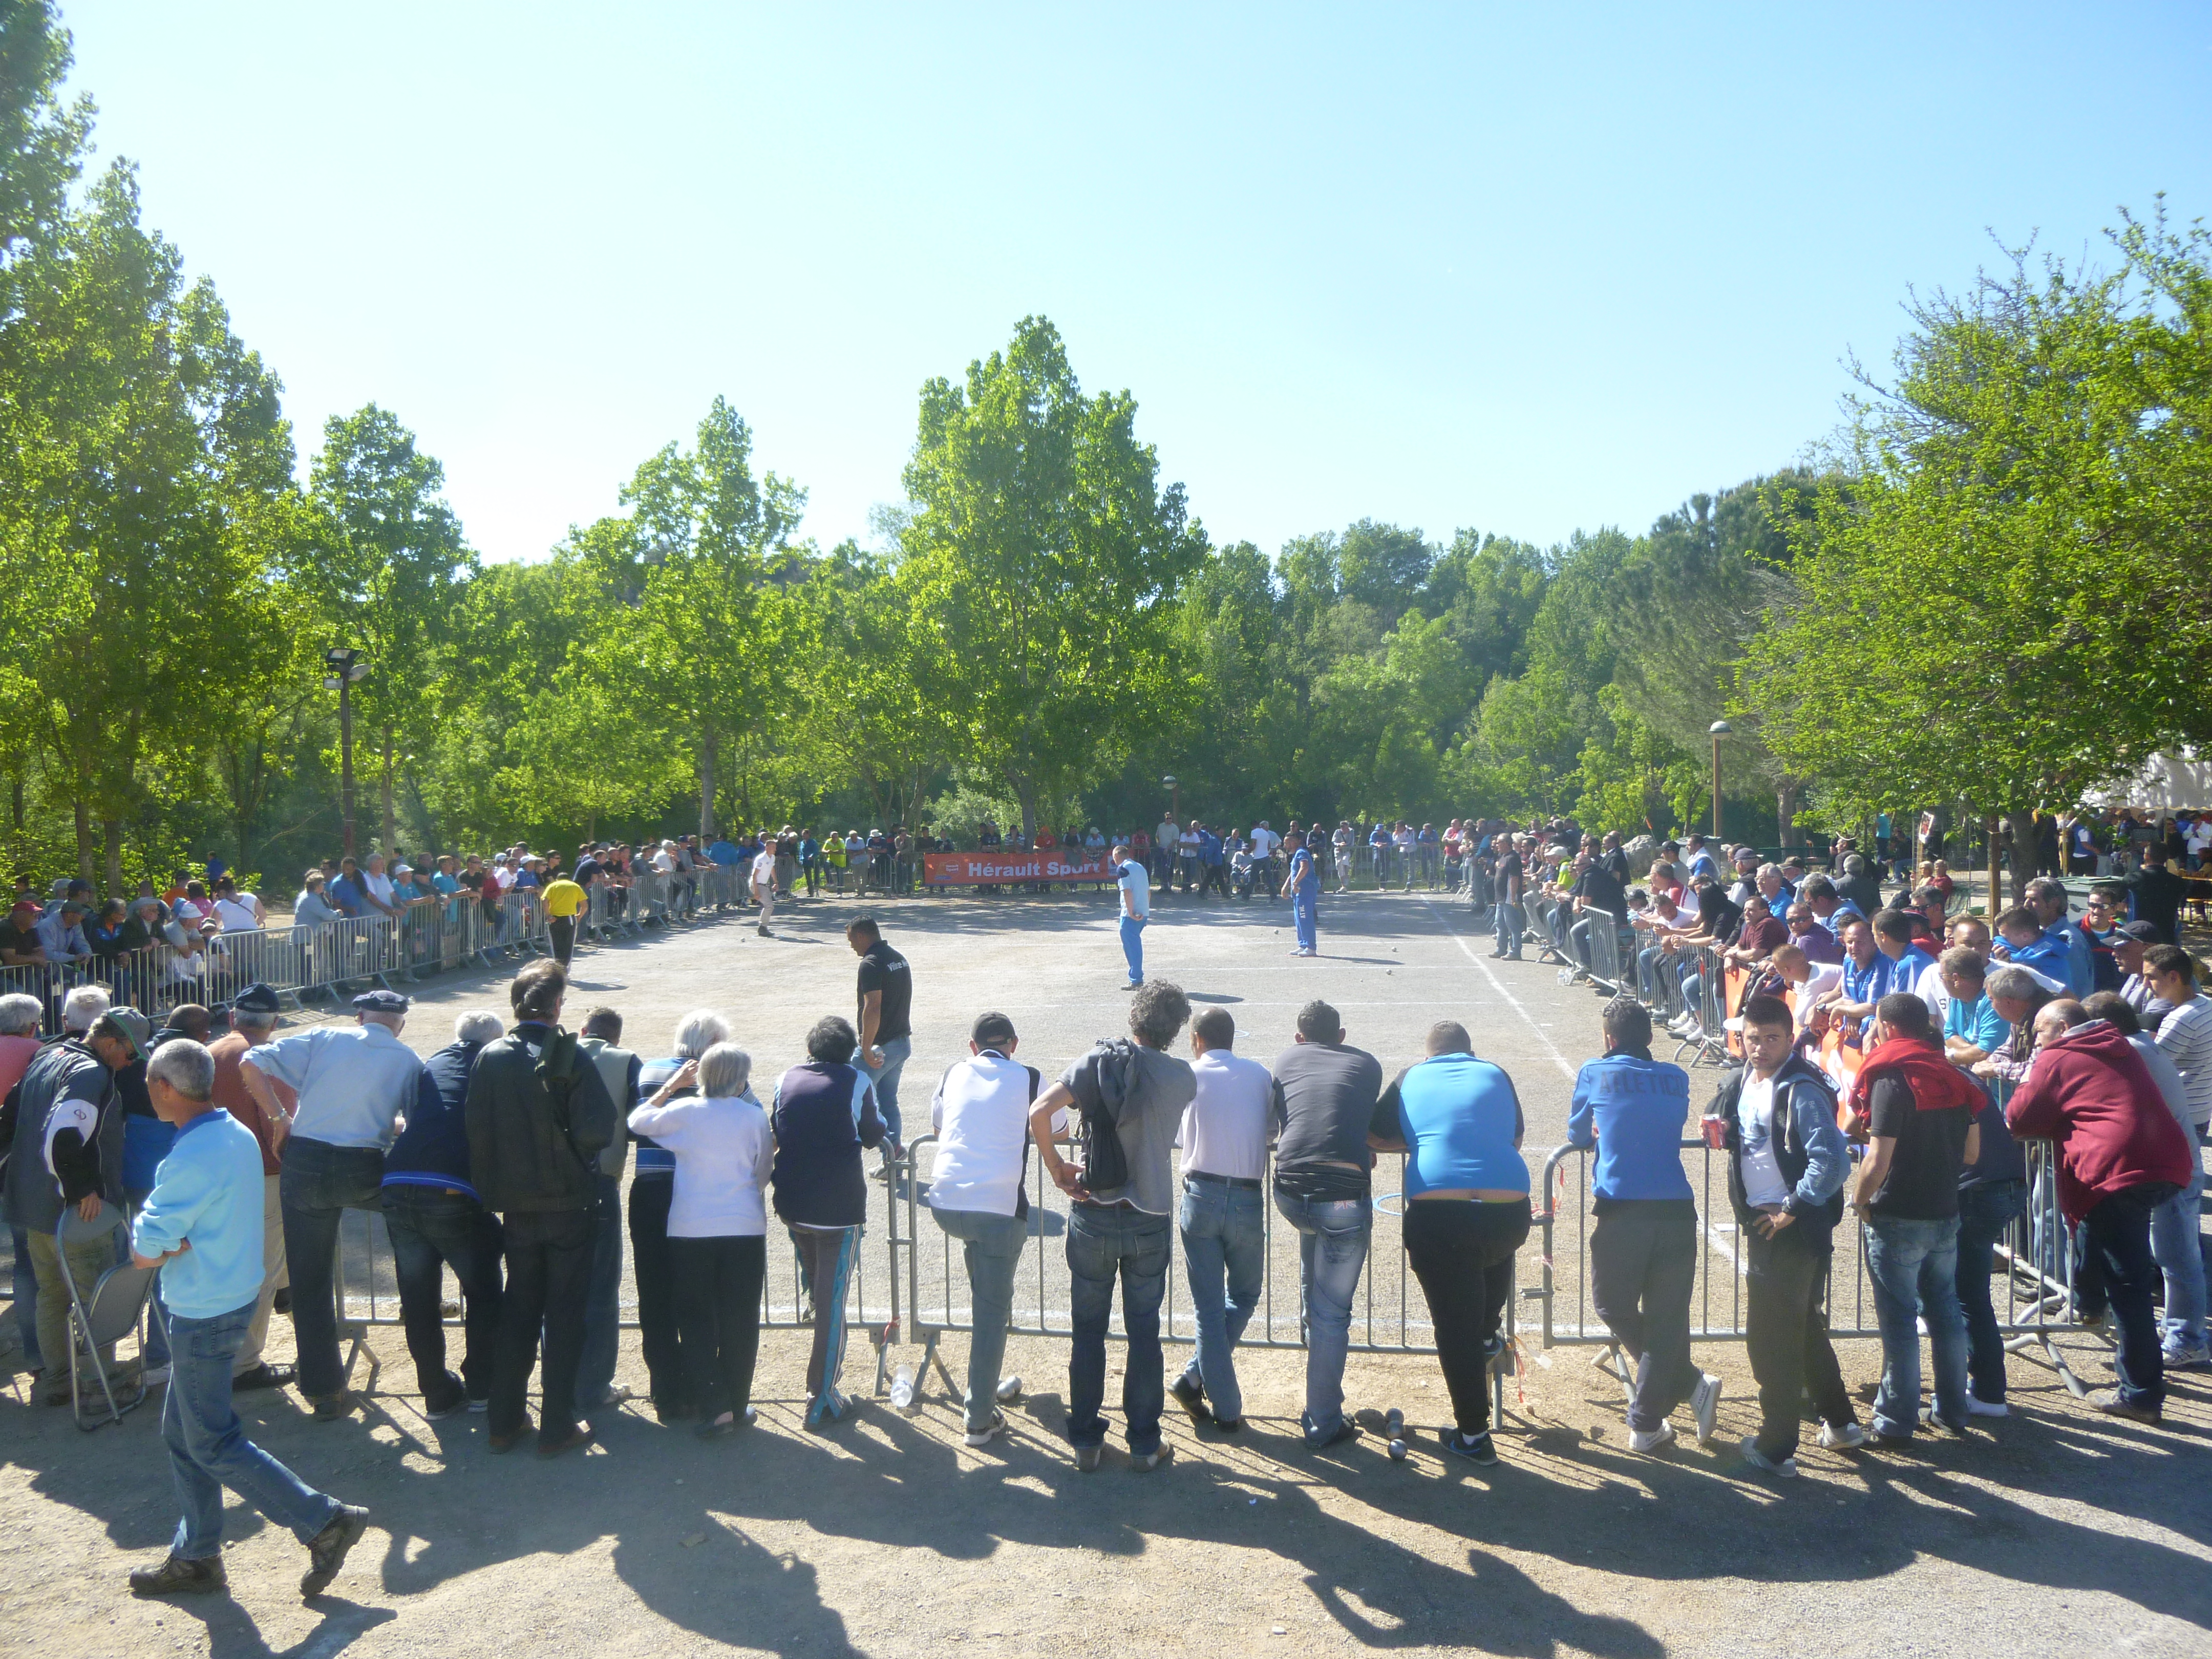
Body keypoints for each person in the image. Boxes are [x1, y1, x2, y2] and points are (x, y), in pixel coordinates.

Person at [122, 1039, 370, 1602]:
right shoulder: (233, 1130)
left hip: (203, 1311)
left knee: (209, 1441)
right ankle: (197, 1555)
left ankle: (323, 1520)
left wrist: (163, 1241)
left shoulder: (189, 1154)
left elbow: (143, 1247)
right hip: (227, 1299)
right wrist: (172, 1240)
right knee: (183, 1434)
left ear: (165, 1087)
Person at [1030, 981, 1195, 1470]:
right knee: (1144, 1331)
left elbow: (1039, 1112)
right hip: (1149, 1214)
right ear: (1177, 1029)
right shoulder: (1184, 1077)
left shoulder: (1096, 1061)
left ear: (1133, 1017)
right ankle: (1144, 1442)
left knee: (1088, 1329)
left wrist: (1057, 1168)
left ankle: (1085, 1439)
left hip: (1094, 1210)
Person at [2006, 997, 2194, 1423]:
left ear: (2059, 1028)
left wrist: (2039, 1071)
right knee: (2095, 1228)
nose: (2034, 1038)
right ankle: (2089, 1302)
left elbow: (2020, 1117)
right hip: (2162, 1161)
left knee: (2128, 1286)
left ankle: (2141, 1394)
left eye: (2038, 1031)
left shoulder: (2058, 1056)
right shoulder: (2120, 1046)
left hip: (2116, 1170)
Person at [240, 988, 424, 1420]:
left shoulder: (325, 1037)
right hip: (363, 1165)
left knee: (309, 1280)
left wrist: (279, 1118)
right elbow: (414, 1125)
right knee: (417, 1222)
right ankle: (420, 1304)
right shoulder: (408, 1059)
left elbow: (250, 1062)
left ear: (359, 1017)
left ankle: (324, 1390)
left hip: (304, 1161)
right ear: (401, 1024)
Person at [1704, 994, 1862, 1476]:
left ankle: (1777, 1447)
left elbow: (1833, 1161)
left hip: (1790, 1230)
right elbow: (1731, 1128)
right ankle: (1841, 1423)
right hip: (1766, 1225)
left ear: (1789, 1039)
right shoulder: (1746, 1078)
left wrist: (1792, 1209)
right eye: (1753, 1038)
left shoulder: (1802, 1089)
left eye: (1772, 1038)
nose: (1761, 1047)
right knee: (1802, 1325)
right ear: (1742, 1036)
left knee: (1770, 1338)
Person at [465, 961, 618, 1455]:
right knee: (566, 1316)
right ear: (556, 1008)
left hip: (516, 1209)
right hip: (568, 1204)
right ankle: (557, 1426)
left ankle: (504, 1421)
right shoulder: (568, 1054)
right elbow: (599, 1129)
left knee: (521, 1312)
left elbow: (477, 1130)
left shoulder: (490, 1056)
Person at [1369, 1019, 1533, 1464]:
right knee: (1490, 1265)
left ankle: (1475, 1436)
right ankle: (1486, 1337)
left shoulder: (1411, 1076)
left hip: (1439, 1213)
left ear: (1429, 1055)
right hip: (1508, 1207)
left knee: (1453, 1328)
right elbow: (1515, 1136)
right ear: (1471, 1051)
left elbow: (1374, 1133)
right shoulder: (1496, 1072)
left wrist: (1420, 1140)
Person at [1564, 997, 1719, 1453]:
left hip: (1623, 1206)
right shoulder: (1677, 1075)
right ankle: (1668, 1403)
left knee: (1611, 1304)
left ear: (1608, 1038)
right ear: (1651, 1037)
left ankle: (1656, 1413)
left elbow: (1576, 1134)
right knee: (1666, 1319)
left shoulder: (1595, 1071)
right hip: (1675, 1206)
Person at [1847, 993, 1981, 1443]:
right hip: (1944, 1210)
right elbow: (1971, 1152)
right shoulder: (1954, 1074)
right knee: (1945, 1313)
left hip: (1899, 1211)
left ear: (1885, 1026)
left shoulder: (1891, 1078)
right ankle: (1952, 1409)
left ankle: (1896, 1418)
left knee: (1900, 1322)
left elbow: (1877, 1159)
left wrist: (1859, 1201)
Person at [629, 1040, 772, 1439]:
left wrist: (671, 1087)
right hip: (743, 1224)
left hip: (691, 1227)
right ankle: (738, 1402)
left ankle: (714, 1404)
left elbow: (639, 1121)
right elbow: (764, 1170)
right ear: (741, 1077)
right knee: (740, 1316)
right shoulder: (752, 1116)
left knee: (693, 1317)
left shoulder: (685, 1111)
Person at [1, 985, 129, 1403]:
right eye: (129, 1053)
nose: (130, 1063)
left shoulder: (47, 1054)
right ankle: (95, 1384)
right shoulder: (91, 1072)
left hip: (31, 1201)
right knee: (95, 1295)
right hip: (72, 1210)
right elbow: (66, 1134)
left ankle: (56, 1381)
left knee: (52, 1294)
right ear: (109, 1041)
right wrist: (81, 1190)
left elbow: (10, 1118)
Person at [1268, 998, 1384, 1449]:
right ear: (1342, 1036)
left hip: (1290, 1191)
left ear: (1299, 1037)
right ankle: (1322, 1420)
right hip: (1343, 1196)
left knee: (1311, 1234)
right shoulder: (1365, 1063)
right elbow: (1354, 1117)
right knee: (1334, 1312)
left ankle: (1310, 1333)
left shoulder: (1285, 1059)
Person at [380, 1011, 507, 1418]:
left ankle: (435, 1392)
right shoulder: (494, 1064)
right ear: (492, 1041)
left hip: (398, 1181)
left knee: (418, 1296)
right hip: (451, 1188)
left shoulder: (432, 1062)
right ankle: (483, 1385)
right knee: (483, 1287)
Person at [925, 1010, 1041, 1445]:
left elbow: (939, 1126)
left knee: (985, 1295)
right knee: (990, 1316)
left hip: (947, 1202)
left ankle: (984, 1387)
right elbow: (1059, 1125)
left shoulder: (954, 1072)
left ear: (973, 1047)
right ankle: (978, 1417)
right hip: (997, 1208)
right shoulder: (1027, 1077)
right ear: (1014, 1043)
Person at [770, 1015, 887, 1428]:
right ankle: (821, 1395)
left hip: (793, 1202)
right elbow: (873, 1133)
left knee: (820, 1285)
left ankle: (813, 1300)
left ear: (810, 1049)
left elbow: (778, 1125)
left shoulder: (786, 1077)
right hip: (838, 1209)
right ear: (850, 1051)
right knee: (834, 1302)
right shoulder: (857, 1082)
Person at [1167, 1007, 1272, 1433]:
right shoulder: (1259, 1074)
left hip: (1201, 1193)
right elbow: (1269, 1130)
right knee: (1243, 1296)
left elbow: (1177, 1136)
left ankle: (1202, 1383)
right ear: (1233, 1038)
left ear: (1196, 1039)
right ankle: (1207, 1390)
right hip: (1246, 1197)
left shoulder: (1188, 1077)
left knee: (1208, 1308)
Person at [631, 1009, 730, 1420]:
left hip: (648, 1189)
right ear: (711, 1047)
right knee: (695, 1293)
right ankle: (697, 1385)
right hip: (692, 1190)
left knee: (653, 1293)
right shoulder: (717, 1080)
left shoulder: (649, 1071)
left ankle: (664, 1393)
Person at [204, 985, 295, 1390]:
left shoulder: (207, 1054)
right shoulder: (271, 1059)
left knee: (227, 1269)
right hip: (264, 1177)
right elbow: (285, 1123)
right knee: (260, 1271)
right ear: (274, 1022)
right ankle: (243, 1363)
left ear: (232, 1017)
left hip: (214, 1177)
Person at [577, 1006, 643, 1412]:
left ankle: (558, 1377)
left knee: (558, 1286)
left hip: (550, 1182)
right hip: (601, 1180)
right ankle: (596, 1385)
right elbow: (638, 1122)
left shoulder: (556, 1052)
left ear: (583, 1030)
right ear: (615, 1037)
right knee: (601, 1288)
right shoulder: (625, 1060)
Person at [847, 914, 913, 1159]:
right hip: (901, 1042)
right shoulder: (898, 958)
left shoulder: (871, 963)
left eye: (852, 939)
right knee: (887, 1100)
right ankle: (893, 1155)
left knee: (847, 1094)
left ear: (862, 935)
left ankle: (841, 1151)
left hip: (879, 1047)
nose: (851, 945)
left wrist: (865, 1047)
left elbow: (872, 1007)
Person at [1110, 842, 1150, 989]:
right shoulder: (1140, 868)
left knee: (1132, 946)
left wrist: (1130, 912)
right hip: (1143, 911)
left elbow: (1127, 891)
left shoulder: (1123, 869)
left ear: (1116, 856)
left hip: (1130, 914)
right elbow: (1148, 891)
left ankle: (1136, 979)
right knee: (1133, 944)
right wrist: (1146, 911)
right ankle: (1136, 977)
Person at [540, 867, 586, 966]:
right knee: (568, 945)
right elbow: (585, 905)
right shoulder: (575, 886)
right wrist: (579, 916)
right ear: (569, 879)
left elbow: (545, 901)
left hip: (554, 918)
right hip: (569, 918)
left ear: (557, 879)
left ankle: (558, 967)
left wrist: (548, 915)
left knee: (556, 945)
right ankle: (565, 969)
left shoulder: (552, 886)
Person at [1285, 829, 1320, 959]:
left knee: (1306, 918)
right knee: (1299, 919)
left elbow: (1304, 868)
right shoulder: (1295, 855)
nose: (1286, 845)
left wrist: (1295, 883)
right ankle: (1303, 944)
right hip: (1298, 894)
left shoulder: (1301, 853)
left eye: (1288, 842)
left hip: (1305, 891)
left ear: (1296, 842)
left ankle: (1311, 947)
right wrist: (1285, 887)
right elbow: (1293, 873)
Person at [1491, 834, 1525, 961]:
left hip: (1509, 897)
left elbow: (1514, 878)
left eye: (1499, 843)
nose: (1496, 845)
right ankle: (1501, 949)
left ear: (1506, 843)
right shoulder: (1502, 857)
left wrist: (1513, 897)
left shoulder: (1513, 858)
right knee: (1499, 923)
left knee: (1513, 925)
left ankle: (1515, 951)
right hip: (1500, 897)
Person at [751, 836, 779, 938]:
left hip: (764, 884)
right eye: (772, 847)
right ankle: (762, 927)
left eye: (775, 847)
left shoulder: (772, 858)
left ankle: (763, 927)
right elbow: (754, 876)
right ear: (766, 848)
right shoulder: (761, 859)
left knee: (769, 906)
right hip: (757, 884)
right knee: (769, 906)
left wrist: (776, 882)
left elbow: (772, 869)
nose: (775, 849)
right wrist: (756, 891)